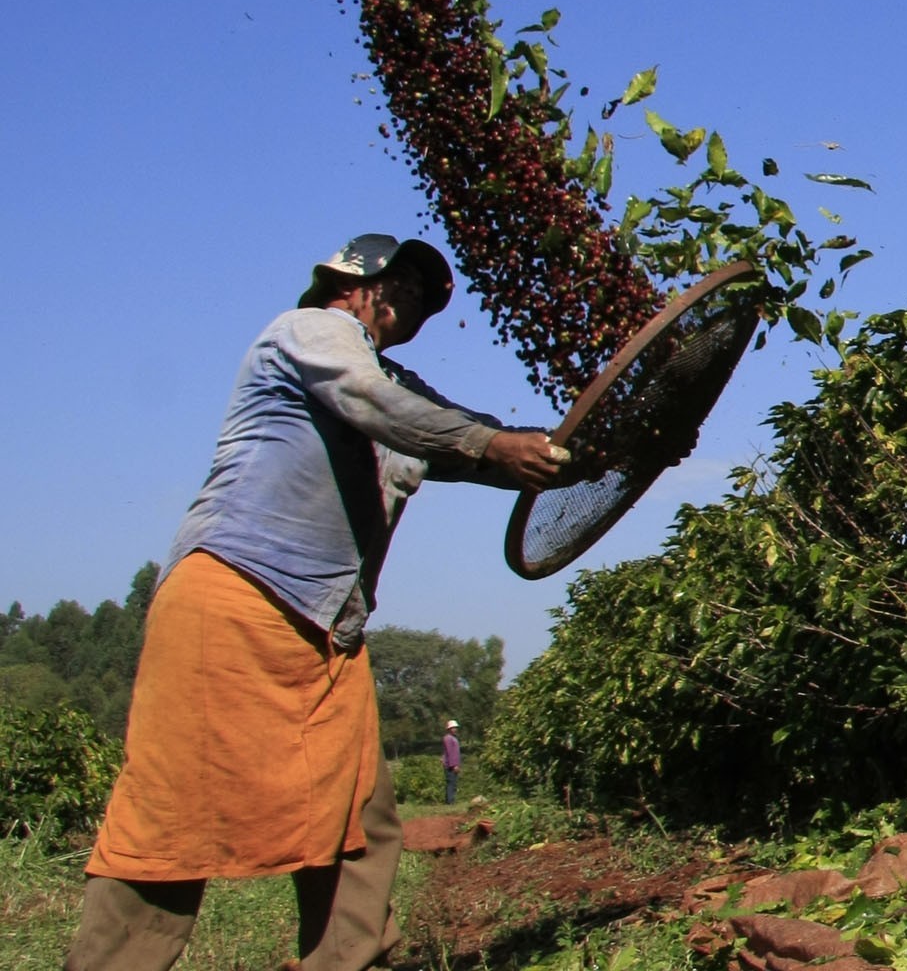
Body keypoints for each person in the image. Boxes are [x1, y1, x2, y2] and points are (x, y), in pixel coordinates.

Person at [66, 234, 567, 971]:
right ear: (352, 283)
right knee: (174, 818)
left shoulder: (403, 389)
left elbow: (480, 447)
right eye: (399, 283)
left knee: (362, 821)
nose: (413, 301)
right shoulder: (311, 332)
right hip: (238, 595)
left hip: (329, 633)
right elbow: (384, 409)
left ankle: (352, 960)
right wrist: (494, 446)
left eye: (426, 297)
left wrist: (595, 451)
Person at [442, 720, 463, 805]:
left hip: (453, 764)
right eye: (453, 728)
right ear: (449, 729)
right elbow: (450, 752)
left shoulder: (453, 738)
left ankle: (451, 800)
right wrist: (454, 765)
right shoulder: (448, 738)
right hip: (450, 765)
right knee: (451, 782)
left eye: (455, 728)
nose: (455, 729)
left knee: (453, 783)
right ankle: (450, 801)